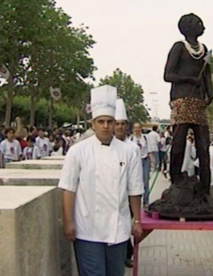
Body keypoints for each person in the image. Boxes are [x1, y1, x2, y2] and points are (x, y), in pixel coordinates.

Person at [58, 85, 144, 276]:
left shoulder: (129, 152)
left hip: (118, 228)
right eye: (101, 121)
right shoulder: (78, 151)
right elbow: (68, 189)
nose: (106, 126)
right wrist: (68, 221)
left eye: (110, 121)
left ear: (115, 123)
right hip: (87, 228)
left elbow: (135, 190)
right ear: (93, 123)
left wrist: (137, 220)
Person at [164, 13, 213, 192]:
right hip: (182, 99)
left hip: (198, 101)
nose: (203, 26)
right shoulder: (179, 47)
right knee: (178, 143)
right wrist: (191, 79)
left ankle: (205, 187)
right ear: (188, 27)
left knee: (203, 146)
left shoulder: (204, 49)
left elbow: (206, 73)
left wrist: (210, 91)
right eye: (199, 23)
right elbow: (168, 75)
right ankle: (176, 181)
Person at [114, 98, 143, 269]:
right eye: (116, 123)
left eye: (122, 124)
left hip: (128, 197)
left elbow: (136, 178)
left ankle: (127, 255)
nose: (119, 127)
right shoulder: (108, 146)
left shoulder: (133, 148)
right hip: (113, 196)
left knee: (127, 227)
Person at [131, 122, 152, 207]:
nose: (137, 130)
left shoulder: (145, 138)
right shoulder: (131, 139)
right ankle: (136, 202)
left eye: (138, 128)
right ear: (133, 129)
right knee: (136, 182)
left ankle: (146, 201)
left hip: (145, 160)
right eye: (135, 128)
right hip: (135, 162)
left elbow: (149, 149)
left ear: (141, 128)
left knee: (145, 182)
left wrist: (153, 161)